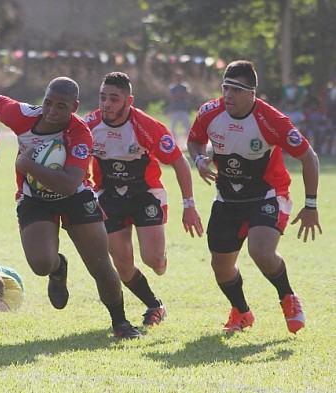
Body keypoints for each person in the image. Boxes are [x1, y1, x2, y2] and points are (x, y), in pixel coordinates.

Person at [0, 77, 142, 339]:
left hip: (75, 197)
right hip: (34, 199)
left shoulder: (80, 134)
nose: (52, 111)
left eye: (61, 106)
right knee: (41, 264)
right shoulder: (22, 115)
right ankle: (58, 269)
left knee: (101, 265)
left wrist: (29, 166)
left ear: (74, 107)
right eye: (48, 103)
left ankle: (121, 323)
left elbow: (69, 184)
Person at [187, 60, 322, 335]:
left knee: (260, 251)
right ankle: (242, 312)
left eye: (236, 90)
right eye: (226, 88)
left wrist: (311, 205)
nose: (228, 95)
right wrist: (200, 159)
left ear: (252, 92)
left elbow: (309, 157)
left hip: (267, 194)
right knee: (221, 266)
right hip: (227, 198)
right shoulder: (209, 113)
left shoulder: (272, 120)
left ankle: (288, 297)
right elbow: (194, 139)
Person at [84, 72, 203, 328]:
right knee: (123, 265)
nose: (106, 104)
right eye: (103, 98)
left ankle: (160, 257)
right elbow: (75, 157)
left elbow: (180, 163)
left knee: (153, 261)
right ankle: (154, 305)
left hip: (146, 195)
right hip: (109, 197)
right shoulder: (90, 125)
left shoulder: (147, 126)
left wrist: (189, 206)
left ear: (129, 101)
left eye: (114, 99)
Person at [166, 70, 192, 148]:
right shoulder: (172, 87)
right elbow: (171, 98)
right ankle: (175, 144)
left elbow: (187, 95)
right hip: (175, 110)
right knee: (173, 128)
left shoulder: (185, 86)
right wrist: (180, 95)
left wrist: (178, 95)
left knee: (188, 127)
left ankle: (189, 144)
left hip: (184, 109)